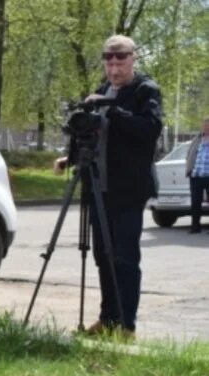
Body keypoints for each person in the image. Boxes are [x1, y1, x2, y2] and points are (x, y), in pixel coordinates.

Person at [55, 35, 162, 339]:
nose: (114, 68)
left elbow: (150, 129)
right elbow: (92, 134)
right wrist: (71, 156)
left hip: (128, 189)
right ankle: (108, 319)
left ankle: (126, 326)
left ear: (132, 59)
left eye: (121, 60)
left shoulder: (145, 90)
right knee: (103, 256)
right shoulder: (101, 91)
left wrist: (112, 111)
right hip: (97, 188)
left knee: (124, 257)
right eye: (109, 61)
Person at [185, 117, 209, 234]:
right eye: (204, 126)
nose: (206, 128)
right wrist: (189, 169)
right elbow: (189, 153)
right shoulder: (197, 138)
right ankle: (195, 227)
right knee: (195, 202)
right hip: (196, 175)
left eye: (208, 126)